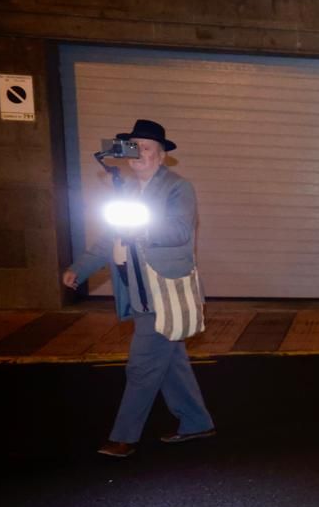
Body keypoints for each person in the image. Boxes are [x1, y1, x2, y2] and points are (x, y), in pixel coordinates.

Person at [62, 119, 215, 458]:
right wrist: (79, 268)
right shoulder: (127, 192)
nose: (139, 153)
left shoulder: (178, 187)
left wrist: (142, 226)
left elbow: (179, 230)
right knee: (171, 363)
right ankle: (196, 422)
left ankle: (124, 437)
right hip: (137, 287)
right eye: (134, 146)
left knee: (142, 366)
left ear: (161, 156)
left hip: (163, 290)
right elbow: (109, 238)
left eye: (146, 147)